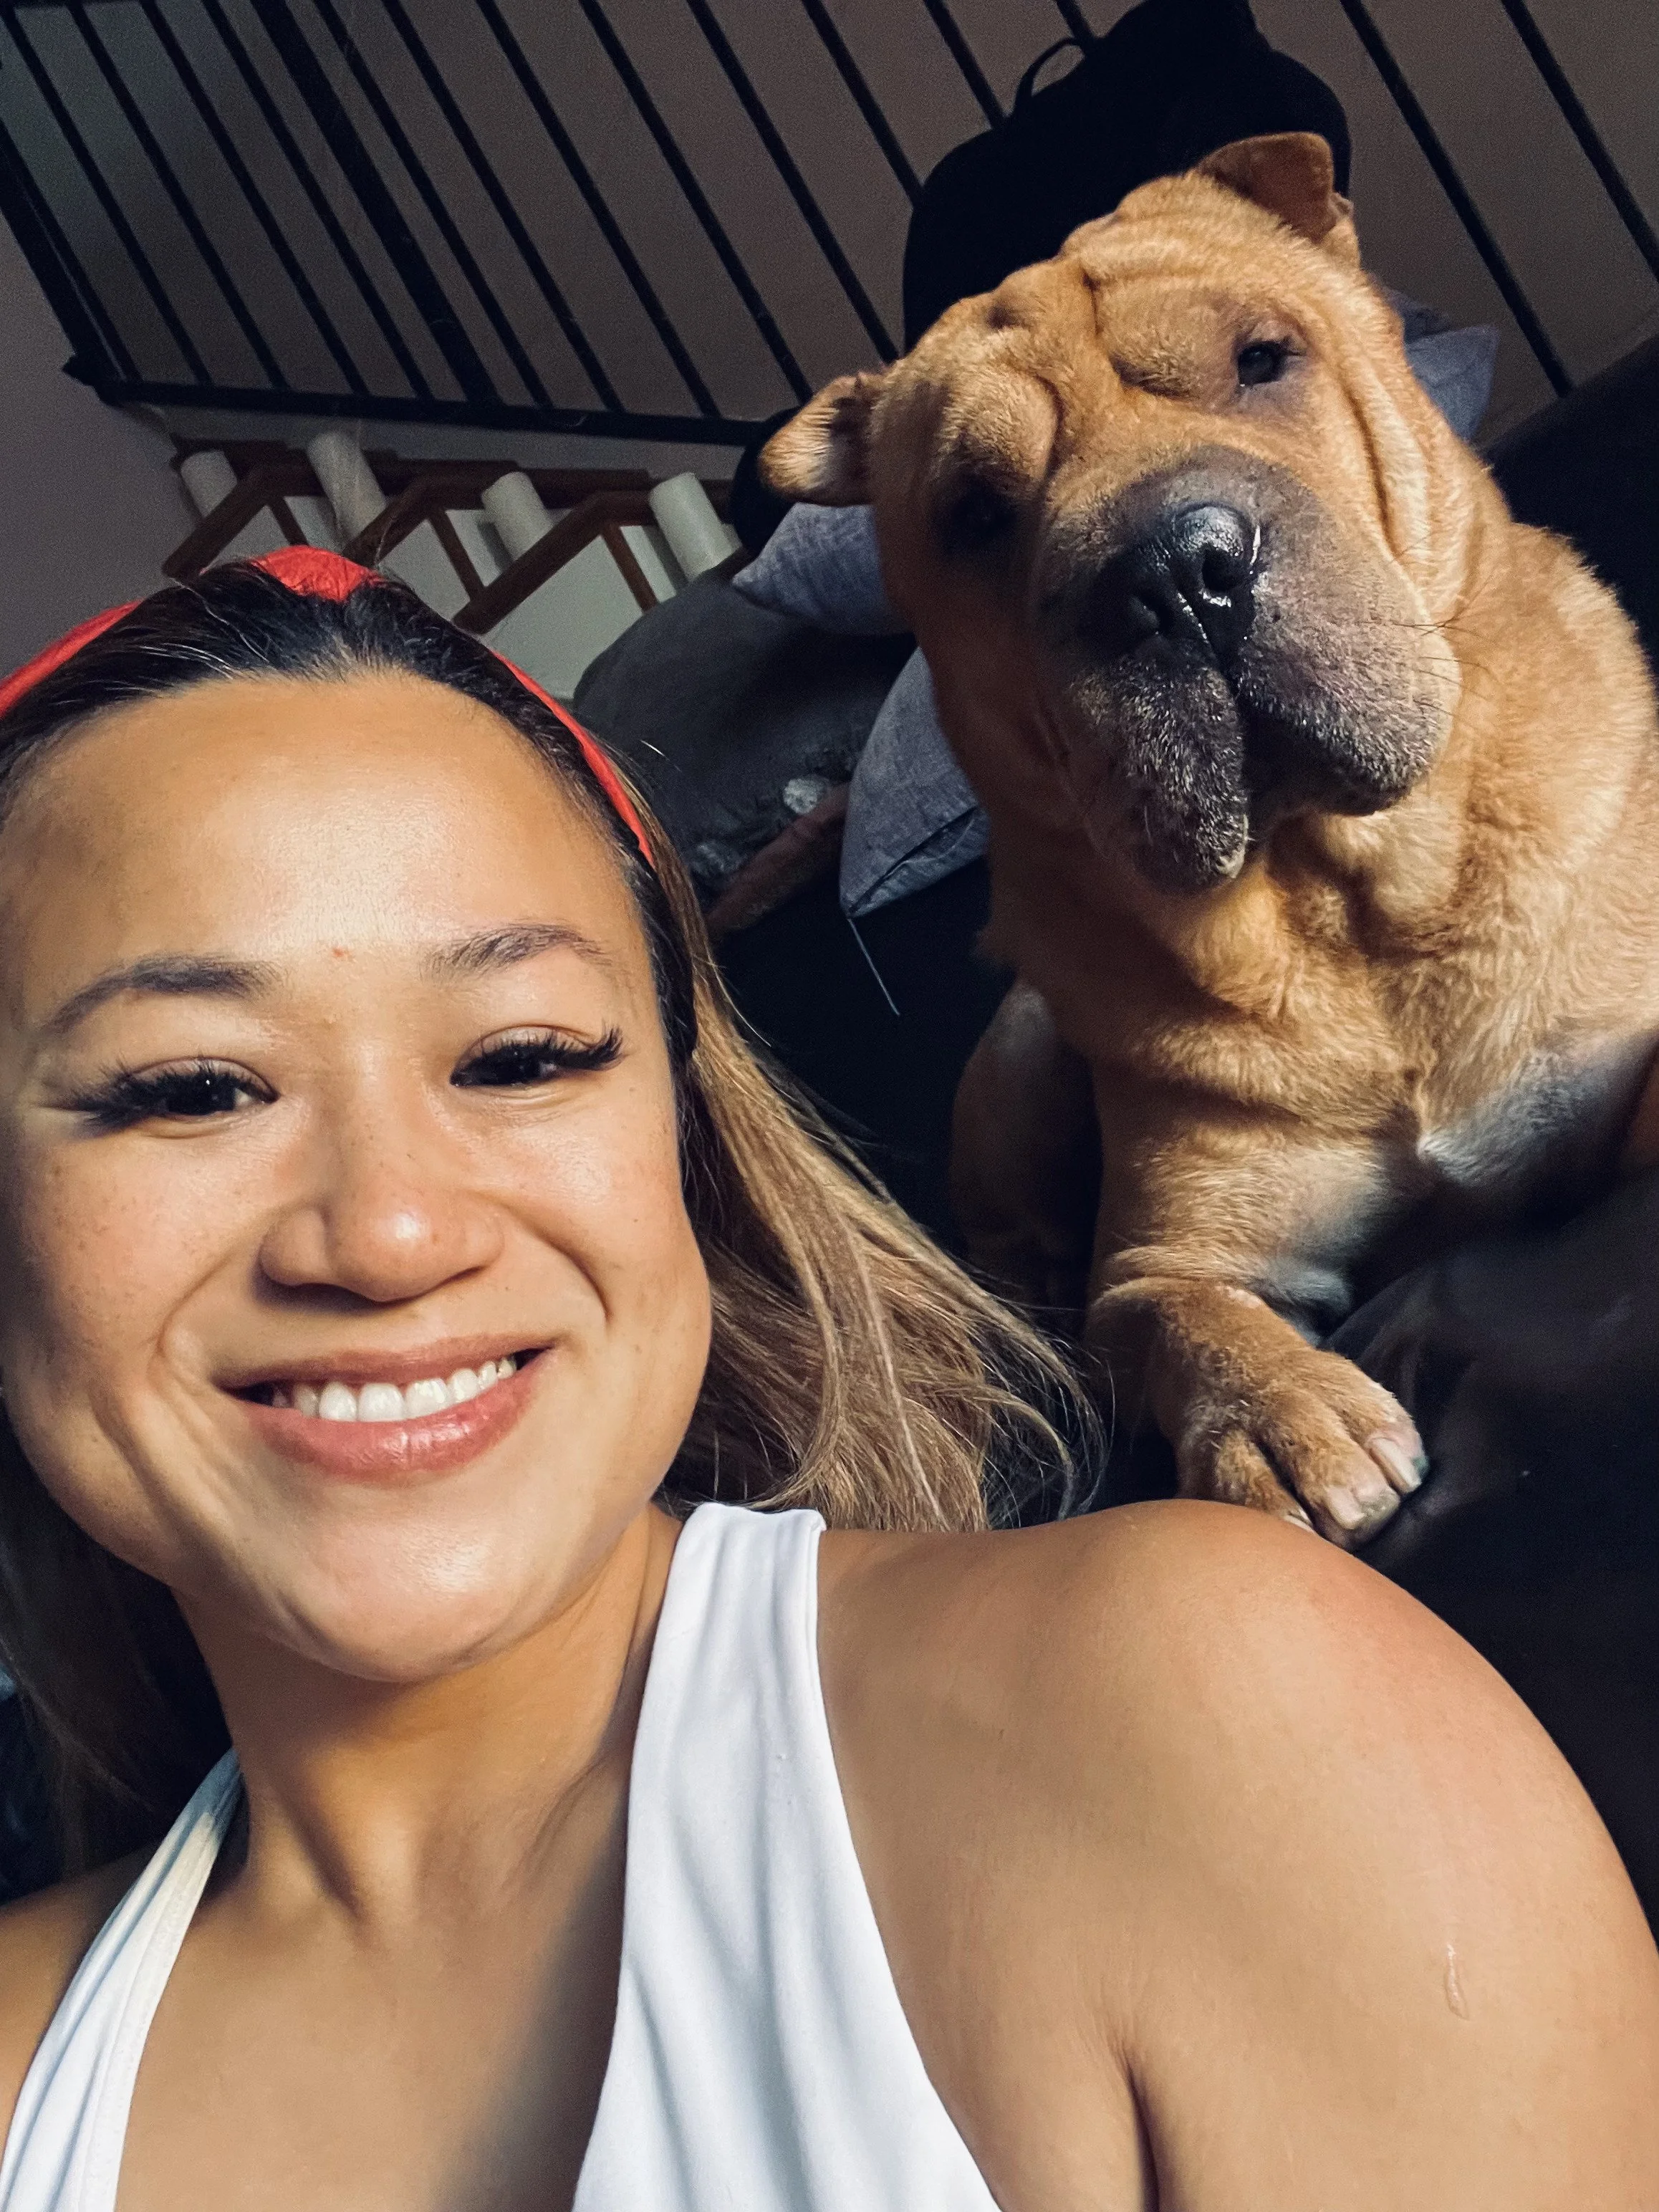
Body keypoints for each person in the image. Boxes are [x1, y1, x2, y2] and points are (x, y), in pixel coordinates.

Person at [0, 549, 1653, 2211]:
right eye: (190, 1087)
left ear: (686, 1152)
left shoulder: (1203, 1719)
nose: (391, 1227)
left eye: (524, 1055)